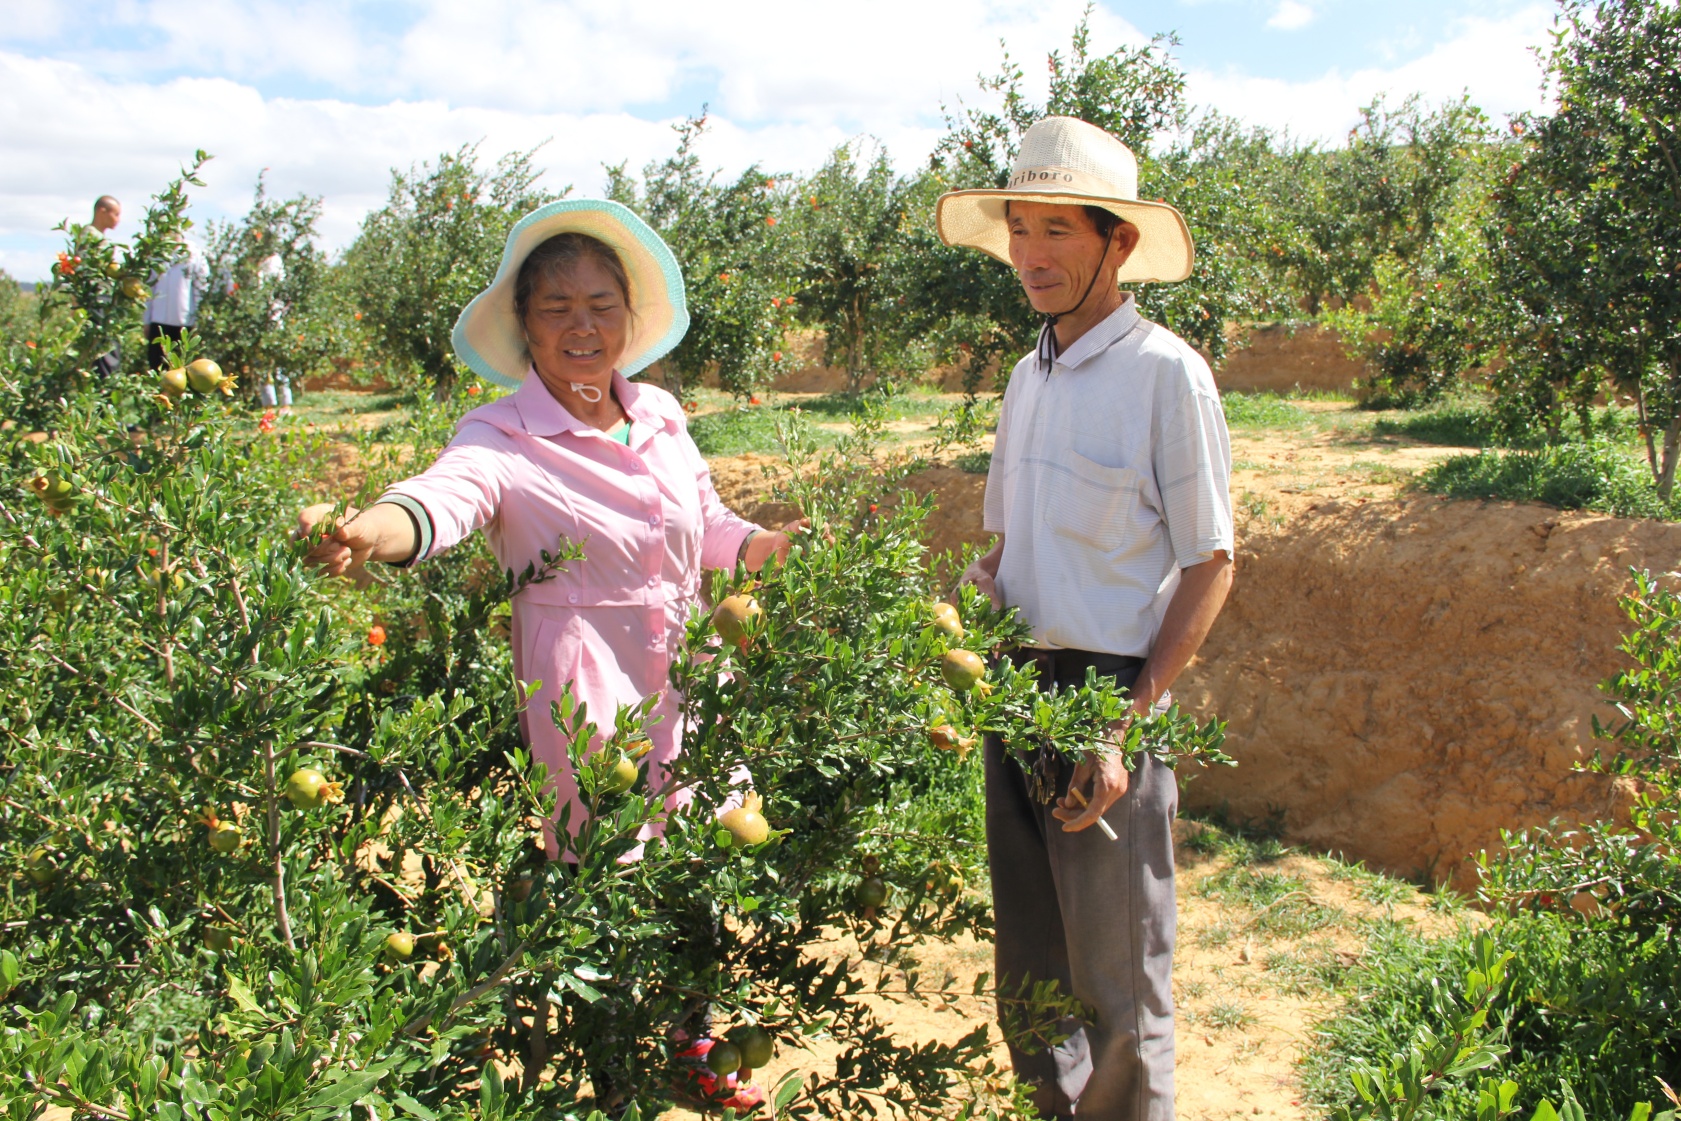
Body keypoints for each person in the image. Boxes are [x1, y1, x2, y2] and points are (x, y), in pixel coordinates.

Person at [297, 199, 798, 1111]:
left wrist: (769, 547)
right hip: (586, 690)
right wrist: (372, 528)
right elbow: (441, 499)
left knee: (699, 862)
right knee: (605, 883)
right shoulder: (501, 435)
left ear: (628, 317)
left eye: (601, 304)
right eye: (557, 307)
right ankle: (615, 1077)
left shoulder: (660, 415)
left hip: (688, 680)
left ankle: (690, 1045)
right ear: (524, 324)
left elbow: (708, 526)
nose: (582, 325)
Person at [936, 116, 1235, 1120]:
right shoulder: (1026, 377)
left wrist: (1124, 726)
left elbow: (1209, 563)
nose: (1030, 254)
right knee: (1029, 971)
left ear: (1118, 241)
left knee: (1117, 982)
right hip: (1015, 689)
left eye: (1057, 229)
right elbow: (1004, 545)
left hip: (1108, 693)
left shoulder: (1165, 375)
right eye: (1019, 228)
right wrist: (975, 593)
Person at [143, 233, 207, 371]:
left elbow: (201, 286)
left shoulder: (193, 253)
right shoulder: (156, 253)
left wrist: (199, 319)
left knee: (182, 370)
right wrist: (146, 320)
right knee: (157, 369)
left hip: (185, 323)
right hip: (158, 322)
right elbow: (149, 288)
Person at [90, 196, 122, 376]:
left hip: (104, 298)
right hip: (97, 298)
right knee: (104, 348)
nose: (118, 219)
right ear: (102, 211)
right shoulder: (90, 236)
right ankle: (104, 386)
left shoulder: (98, 237)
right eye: (115, 214)